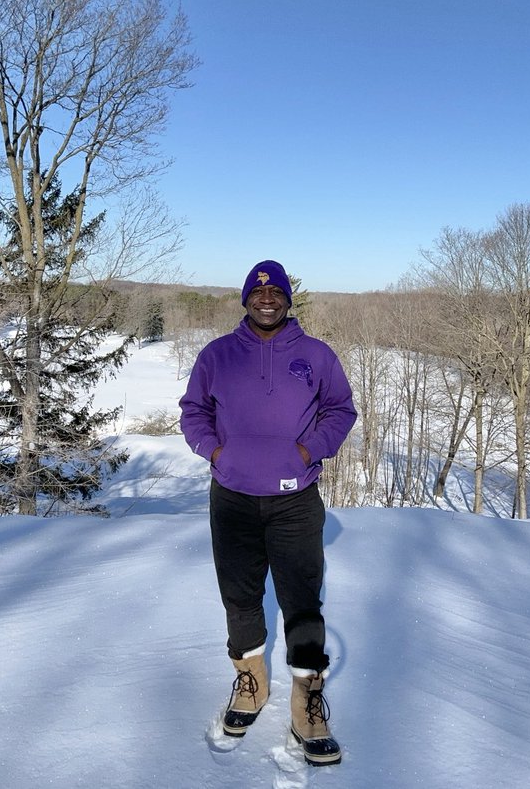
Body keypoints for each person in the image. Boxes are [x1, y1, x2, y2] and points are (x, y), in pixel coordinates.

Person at [179, 259, 357, 766]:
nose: (266, 299)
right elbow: (193, 411)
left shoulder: (317, 356)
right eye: (258, 292)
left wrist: (307, 452)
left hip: (295, 499)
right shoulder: (217, 355)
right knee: (240, 595)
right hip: (232, 496)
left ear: (287, 299)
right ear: (245, 299)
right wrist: (216, 452)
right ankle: (250, 682)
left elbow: (341, 410)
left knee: (301, 599)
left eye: (276, 292)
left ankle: (307, 702)